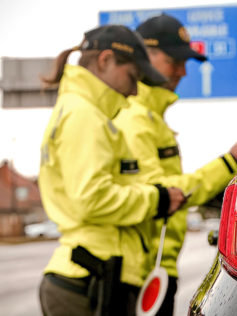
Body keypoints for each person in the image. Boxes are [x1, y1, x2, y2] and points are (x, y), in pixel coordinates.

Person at [114, 14, 237, 316]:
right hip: (142, 272)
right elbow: (164, 193)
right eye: (174, 61)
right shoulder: (134, 120)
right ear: (146, 57)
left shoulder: (151, 119)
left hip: (156, 267)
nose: (182, 71)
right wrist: (229, 162)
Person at [37, 24, 187, 316]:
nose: (133, 91)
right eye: (132, 77)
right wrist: (157, 200)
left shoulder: (82, 112)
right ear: (105, 60)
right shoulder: (85, 116)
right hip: (87, 281)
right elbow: (92, 199)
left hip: (91, 276)